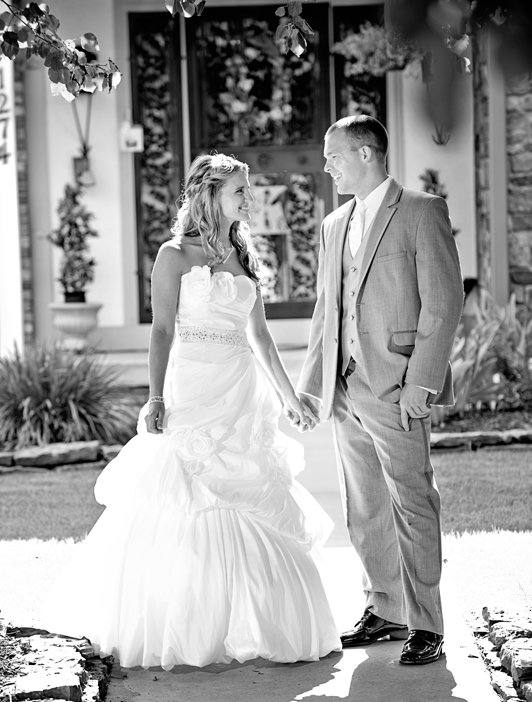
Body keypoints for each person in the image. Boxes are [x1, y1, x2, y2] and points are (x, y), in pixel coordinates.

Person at [40, 153, 340, 669]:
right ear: (210, 194)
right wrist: (155, 397)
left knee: (251, 491)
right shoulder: (174, 255)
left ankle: (261, 622)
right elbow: (161, 330)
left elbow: (261, 337)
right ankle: (184, 622)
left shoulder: (244, 254)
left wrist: (291, 401)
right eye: (239, 190)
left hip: (241, 391)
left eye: (247, 189)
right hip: (194, 386)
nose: (248, 198)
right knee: (185, 493)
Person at [294, 115, 464, 665]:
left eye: (334, 155)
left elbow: (443, 302)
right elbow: (327, 309)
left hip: (397, 385)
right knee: (364, 505)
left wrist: (422, 382)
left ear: (366, 153)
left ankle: (427, 623)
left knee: (412, 501)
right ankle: (385, 609)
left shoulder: (421, 211)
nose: (327, 166)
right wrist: (312, 387)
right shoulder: (333, 224)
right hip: (345, 387)